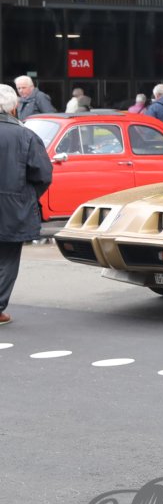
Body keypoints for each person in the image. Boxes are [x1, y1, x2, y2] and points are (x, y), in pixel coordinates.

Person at [0, 84, 52, 326]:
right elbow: (43, 175)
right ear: (13, 109)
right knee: (8, 259)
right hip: (14, 208)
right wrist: (26, 196)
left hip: (13, 203)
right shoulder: (26, 136)